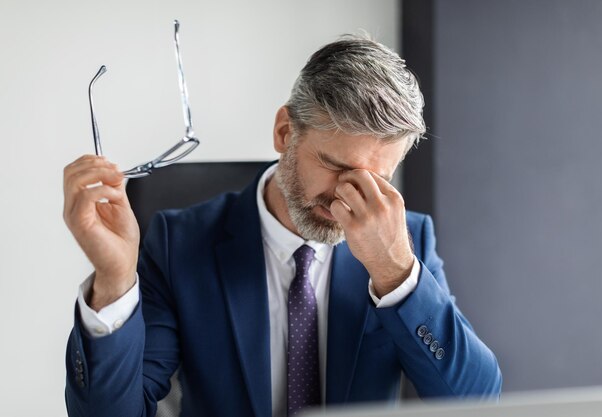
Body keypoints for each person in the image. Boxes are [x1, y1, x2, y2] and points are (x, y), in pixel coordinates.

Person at [63, 36, 502, 417]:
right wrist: (115, 281)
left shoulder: (408, 243)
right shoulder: (178, 244)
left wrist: (396, 274)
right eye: (334, 165)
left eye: (377, 180)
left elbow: (477, 403)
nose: (346, 197)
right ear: (284, 131)